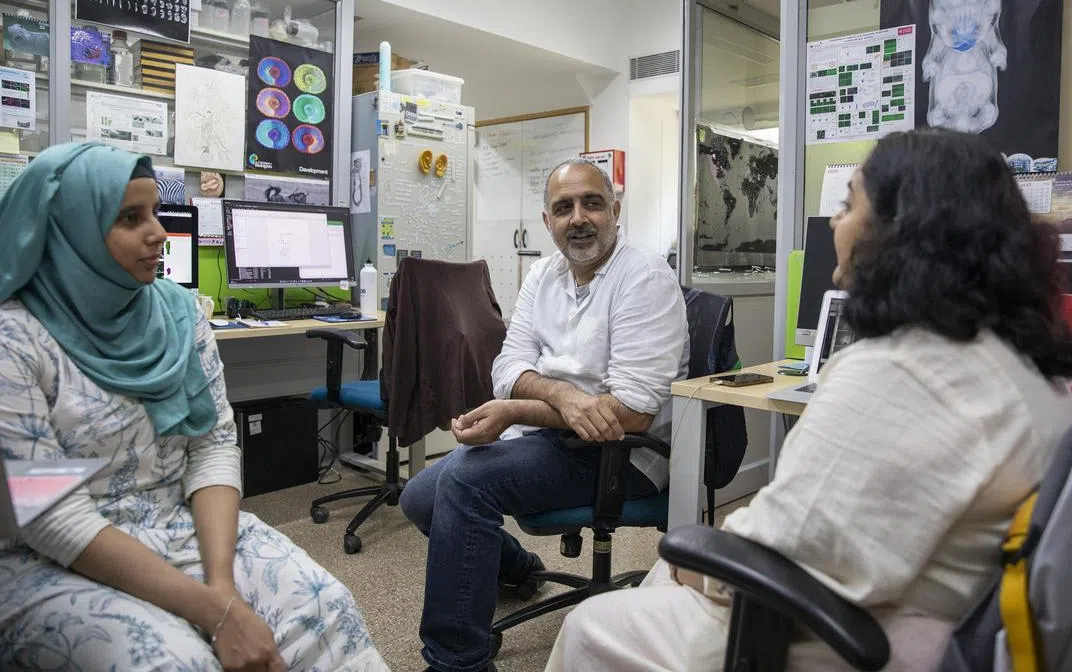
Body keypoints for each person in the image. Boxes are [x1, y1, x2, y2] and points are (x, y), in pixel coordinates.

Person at [545, 129, 1072, 672]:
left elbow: (778, 555)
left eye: (849, 204)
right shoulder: (1033, 371)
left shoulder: (899, 370)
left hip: (848, 637)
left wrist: (689, 565)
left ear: (903, 231)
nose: (834, 222)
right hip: (958, 623)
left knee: (593, 622)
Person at [0, 143, 389, 671]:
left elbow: (212, 447)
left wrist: (222, 589)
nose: (158, 232)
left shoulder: (178, 312)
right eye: (129, 218)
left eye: (154, 212)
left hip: (179, 523)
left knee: (323, 604)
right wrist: (215, 612)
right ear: (69, 231)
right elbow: (52, 515)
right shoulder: (15, 342)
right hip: (60, 554)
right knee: (174, 661)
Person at [400, 158, 689, 672]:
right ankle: (519, 569)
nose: (578, 217)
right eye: (563, 208)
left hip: (622, 456)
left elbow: (632, 413)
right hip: (554, 436)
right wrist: (564, 397)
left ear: (615, 210)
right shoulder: (544, 273)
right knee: (420, 495)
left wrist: (516, 407)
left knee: (466, 482)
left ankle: (457, 662)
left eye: (591, 203)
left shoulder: (644, 278)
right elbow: (506, 366)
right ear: (548, 220)